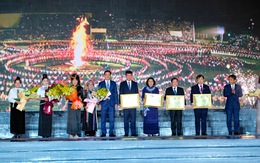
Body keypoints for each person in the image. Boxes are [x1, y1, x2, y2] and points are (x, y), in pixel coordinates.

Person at [98, 70, 118, 137]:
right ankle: (103, 132)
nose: (107, 76)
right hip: (103, 104)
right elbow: (99, 94)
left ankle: (111, 132)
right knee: (103, 119)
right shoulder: (101, 84)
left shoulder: (113, 83)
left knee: (112, 119)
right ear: (104, 75)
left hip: (112, 104)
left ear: (110, 75)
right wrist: (99, 103)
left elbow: (115, 93)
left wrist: (116, 103)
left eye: (108, 74)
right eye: (106, 74)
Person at [119, 70, 139, 137]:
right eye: (128, 75)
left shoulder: (135, 84)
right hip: (125, 105)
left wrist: (137, 102)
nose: (129, 77)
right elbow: (121, 93)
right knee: (126, 120)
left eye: (130, 75)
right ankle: (126, 133)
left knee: (133, 119)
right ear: (126, 76)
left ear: (132, 76)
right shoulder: (122, 84)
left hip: (133, 105)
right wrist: (121, 103)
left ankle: (133, 132)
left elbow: (137, 94)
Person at [67, 73, 84, 138]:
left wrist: (80, 99)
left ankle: (77, 133)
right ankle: (70, 133)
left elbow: (82, 98)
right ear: (71, 81)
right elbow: (66, 97)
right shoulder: (68, 88)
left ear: (78, 81)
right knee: (71, 119)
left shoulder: (80, 88)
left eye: (76, 80)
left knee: (77, 119)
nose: (75, 82)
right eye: (73, 80)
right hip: (70, 105)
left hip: (77, 106)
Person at [36, 74, 52, 138]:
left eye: (46, 81)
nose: (45, 82)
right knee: (43, 119)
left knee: (48, 119)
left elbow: (53, 96)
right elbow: (37, 97)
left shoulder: (50, 88)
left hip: (49, 105)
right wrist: (43, 98)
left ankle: (48, 133)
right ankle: (43, 134)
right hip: (43, 104)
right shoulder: (40, 88)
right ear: (42, 82)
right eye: (44, 81)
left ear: (48, 81)